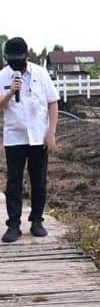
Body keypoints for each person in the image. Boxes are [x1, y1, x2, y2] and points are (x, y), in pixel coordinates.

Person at [0, 37, 59, 243]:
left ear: (27, 56)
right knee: (14, 182)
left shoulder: (40, 74)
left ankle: (36, 221)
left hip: (38, 136)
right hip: (14, 137)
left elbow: (52, 103)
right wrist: (10, 92)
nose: (14, 63)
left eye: (19, 59)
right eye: (10, 60)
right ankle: (13, 225)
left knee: (39, 181)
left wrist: (51, 133)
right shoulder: (2, 76)